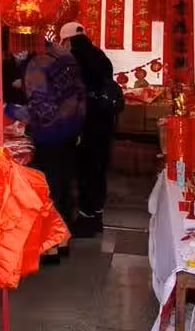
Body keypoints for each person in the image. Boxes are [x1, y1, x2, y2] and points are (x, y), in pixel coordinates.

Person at [5, 33, 86, 263]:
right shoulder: (63, 54)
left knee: (48, 187)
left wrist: (7, 109)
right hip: (71, 128)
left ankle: (51, 246)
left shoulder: (37, 64)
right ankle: (63, 239)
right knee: (65, 182)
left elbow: (42, 111)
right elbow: (76, 93)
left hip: (50, 133)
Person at [60, 22, 124, 238]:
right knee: (98, 169)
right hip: (105, 122)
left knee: (85, 170)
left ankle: (86, 218)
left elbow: (71, 93)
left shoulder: (73, 59)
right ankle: (96, 215)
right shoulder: (101, 56)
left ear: (68, 40)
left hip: (86, 122)